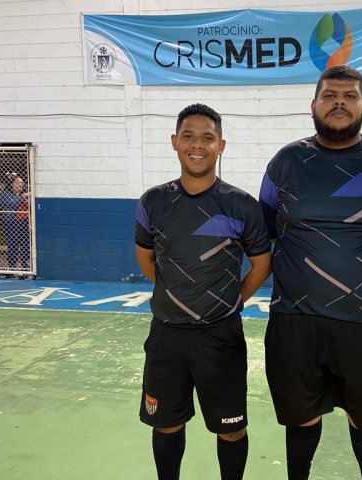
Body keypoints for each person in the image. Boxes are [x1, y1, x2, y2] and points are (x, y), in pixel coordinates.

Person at [259, 65, 362, 480]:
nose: (339, 103)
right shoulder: (286, 162)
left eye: (349, 96)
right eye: (329, 95)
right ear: (313, 105)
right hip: (297, 321)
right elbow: (269, 230)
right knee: (300, 419)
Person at [134, 103, 271, 480]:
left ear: (220, 145)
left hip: (220, 336)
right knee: (165, 424)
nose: (198, 145)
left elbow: (262, 265)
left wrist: (233, 300)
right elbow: (146, 260)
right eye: (189, 136)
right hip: (167, 335)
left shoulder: (242, 205)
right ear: (174, 142)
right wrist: (175, 293)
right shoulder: (153, 202)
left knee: (231, 429)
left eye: (208, 138)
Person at [0, 173, 30, 270]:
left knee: (26, 246)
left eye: (22, 183)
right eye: (18, 183)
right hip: (11, 223)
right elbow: (11, 204)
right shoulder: (4, 194)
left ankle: (26, 267)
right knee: (12, 245)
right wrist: (23, 197)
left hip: (24, 223)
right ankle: (12, 267)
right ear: (11, 183)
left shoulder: (22, 193)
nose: (21, 185)